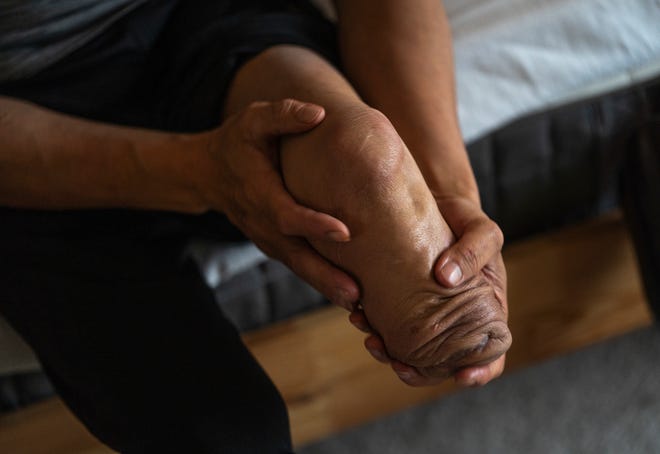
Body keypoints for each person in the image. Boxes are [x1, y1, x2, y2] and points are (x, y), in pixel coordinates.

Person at [0, 0, 508, 452]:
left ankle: (422, 255)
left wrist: (451, 196)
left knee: (355, 151)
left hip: (203, 23)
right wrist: (196, 172)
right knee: (232, 437)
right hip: (28, 132)